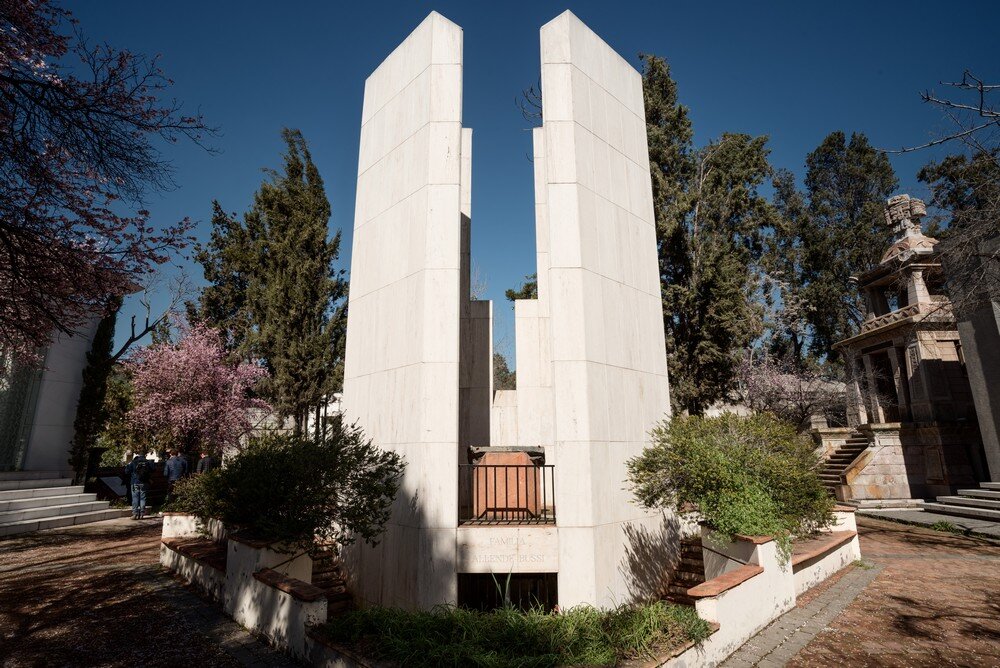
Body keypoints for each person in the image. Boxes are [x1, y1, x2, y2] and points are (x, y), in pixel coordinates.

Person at [124, 451, 153, 519]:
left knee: (135, 498)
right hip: (144, 482)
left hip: (135, 482)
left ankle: (135, 514)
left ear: (138, 454)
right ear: (145, 455)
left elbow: (126, 471)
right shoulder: (147, 462)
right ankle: (142, 513)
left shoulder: (134, 462)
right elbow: (152, 470)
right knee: (143, 498)